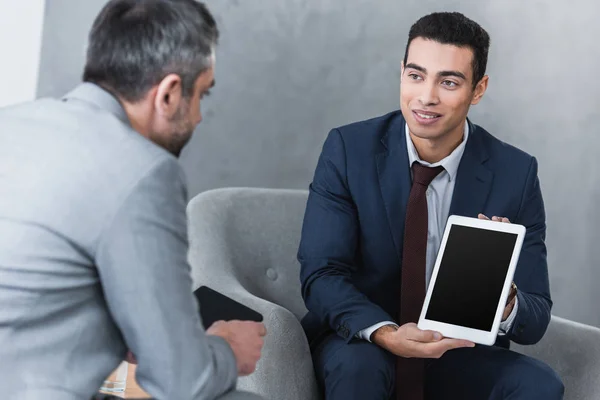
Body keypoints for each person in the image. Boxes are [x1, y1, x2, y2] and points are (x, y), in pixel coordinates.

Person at [0, 1, 266, 399]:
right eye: (201, 97)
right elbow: (181, 381)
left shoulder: (12, 123)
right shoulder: (144, 170)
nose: (198, 118)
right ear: (169, 95)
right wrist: (229, 348)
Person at [298, 11, 564, 400]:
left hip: (454, 349)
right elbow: (321, 275)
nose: (426, 97)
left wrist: (505, 301)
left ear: (478, 89)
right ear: (401, 72)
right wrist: (387, 334)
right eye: (416, 75)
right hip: (365, 340)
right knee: (359, 371)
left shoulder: (515, 173)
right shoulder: (348, 150)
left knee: (540, 385)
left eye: (449, 82)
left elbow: (535, 316)